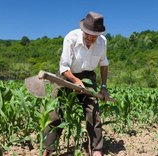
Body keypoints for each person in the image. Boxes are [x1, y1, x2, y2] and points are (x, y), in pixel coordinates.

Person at [43, 11, 109, 156]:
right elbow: (64, 67)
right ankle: (49, 149)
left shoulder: (102, 41)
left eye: (94, 35)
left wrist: (103, 87)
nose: (91, 38)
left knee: (93, 111)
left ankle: (97, 149)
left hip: (89, 77)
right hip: (67, 75)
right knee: (56, 112)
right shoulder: (70, 38)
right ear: (83, 30)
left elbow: (104, 64)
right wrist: (75, 80)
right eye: (88, 34)